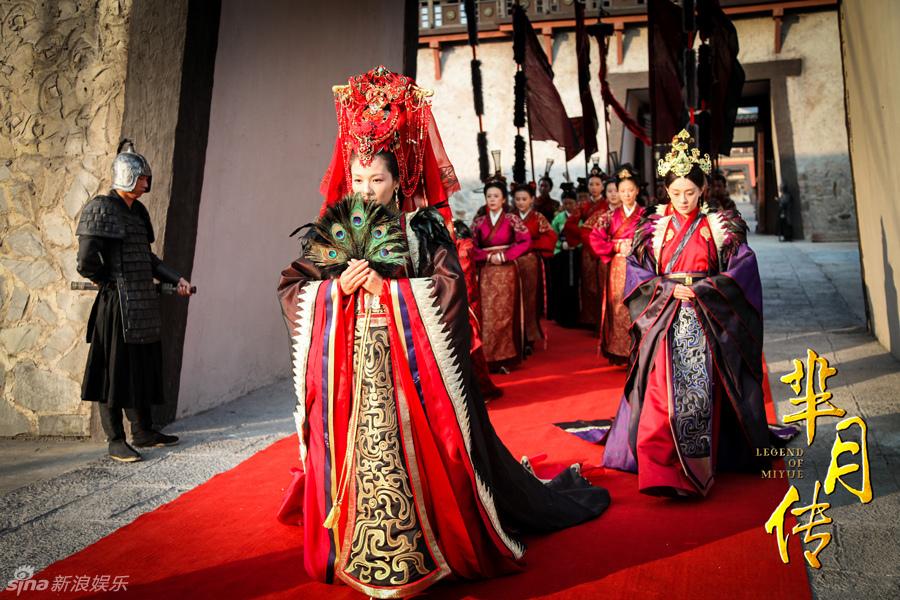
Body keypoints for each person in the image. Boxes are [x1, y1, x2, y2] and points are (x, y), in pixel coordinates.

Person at [276, 67, 609, 597]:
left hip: (411, 372)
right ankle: (363, 548)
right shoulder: (335, 229)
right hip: (355, 374)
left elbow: (450, 288)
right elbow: (294, 286)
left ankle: (429, 546)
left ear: (398, 179)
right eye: (357, 180)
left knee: (422, 460)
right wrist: (336, 291)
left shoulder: (422, 228)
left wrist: (390, 293)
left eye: (376, 180)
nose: (365, 191)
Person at [603, 130, 772, 498]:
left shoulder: (721, 226)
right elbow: (636, 272)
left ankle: (699, 464)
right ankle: (661, 469)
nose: (683, 200)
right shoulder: (652, 228)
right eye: (676, 192)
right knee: (659, 391)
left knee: (703, 391)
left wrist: (705, 289)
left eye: (690, 193)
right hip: (665, 317)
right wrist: (666, 289)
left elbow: (743, 268)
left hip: (706, 316)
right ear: (666, 190)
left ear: (703, 190)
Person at [76, 140, 192, 463]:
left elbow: (147, 258)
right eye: (141, 177)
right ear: (127, 176)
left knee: (140, 367)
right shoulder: (101, 208)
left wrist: (176, 278)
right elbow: (86, 260)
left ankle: (143, 431)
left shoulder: (138, 212)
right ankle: (115, 439)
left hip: (141, 303)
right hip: (115, 305)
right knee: (112, 372)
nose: (146, 183)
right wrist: (107, 281)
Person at [471, 179, 531, 371]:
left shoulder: (512, 219)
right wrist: (487, 256)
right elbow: (470, 246)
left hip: (507, 272)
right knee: (488, 314)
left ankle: (505, 357)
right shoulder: (479, 222)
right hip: (487, 273)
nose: (492, 199)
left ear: (504, 199)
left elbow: (525, 241)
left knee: (506, 312)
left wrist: (506, 255)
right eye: (489, 196)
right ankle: (488, 357)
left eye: (496, 196)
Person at [589, 164, 646, 365]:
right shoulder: (609, 216)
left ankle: (640, 350)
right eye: (622, 191)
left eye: (630, 190)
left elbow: (654, 240)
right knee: (619, 305)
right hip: (618, 266)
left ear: (637, 190)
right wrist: (614, 247)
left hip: (640, 266)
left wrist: (638, 248)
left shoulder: (646, 215)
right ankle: (619, 350)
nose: (626, 194)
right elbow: (595, 238)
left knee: (640, 305)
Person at [513, 182, 557, 352]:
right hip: (512, 263)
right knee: (514, 299)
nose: (520, 202)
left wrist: (529, 245)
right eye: (517, 199)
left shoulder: (538, 217)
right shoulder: (510, 217)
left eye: (524, 199)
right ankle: (515, 336)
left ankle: (529, 336)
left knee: (530, 299)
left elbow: (550, 237)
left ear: (532, 199)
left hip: (531, 261)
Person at [549, 184, 582, 327]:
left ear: (576, 203)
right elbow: (552, 235)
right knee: (561, 284)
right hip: (561, 255)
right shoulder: (558, 218)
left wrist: (576, 245)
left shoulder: (579, 218)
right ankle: (561, 316)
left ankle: (575, 316)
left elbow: (584, 235)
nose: (568, 206)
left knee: (575, 284)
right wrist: (560, 245)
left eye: (571, 203)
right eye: (566, 203)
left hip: (576, 254)